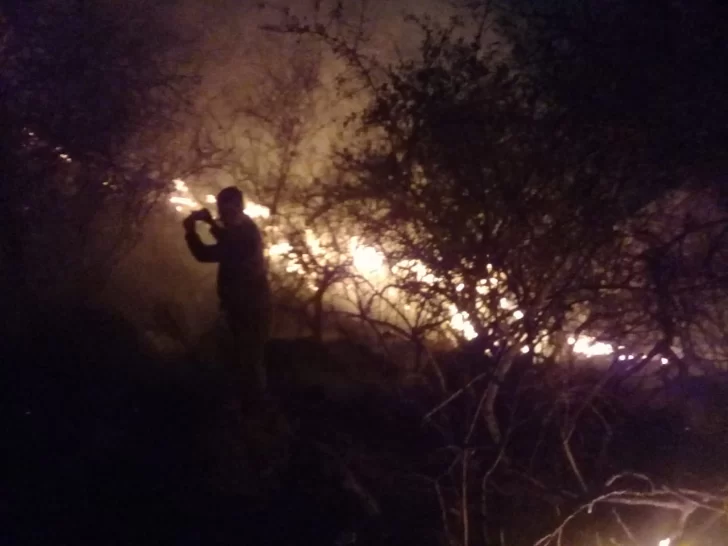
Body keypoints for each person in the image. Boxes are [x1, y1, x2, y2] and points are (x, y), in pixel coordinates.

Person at [183, 186, 271, 402]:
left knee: (247, 361)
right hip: (246, 306)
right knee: (242, 359)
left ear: (237, 207)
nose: (223, 215)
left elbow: (206, 254)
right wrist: (210, 223)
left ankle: (254, 409)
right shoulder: (245, 227)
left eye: (227, 210)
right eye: (222, 211)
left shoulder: (243, 236)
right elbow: (228, 238)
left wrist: (191, 232)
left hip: (248, 309)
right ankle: (250, 407)